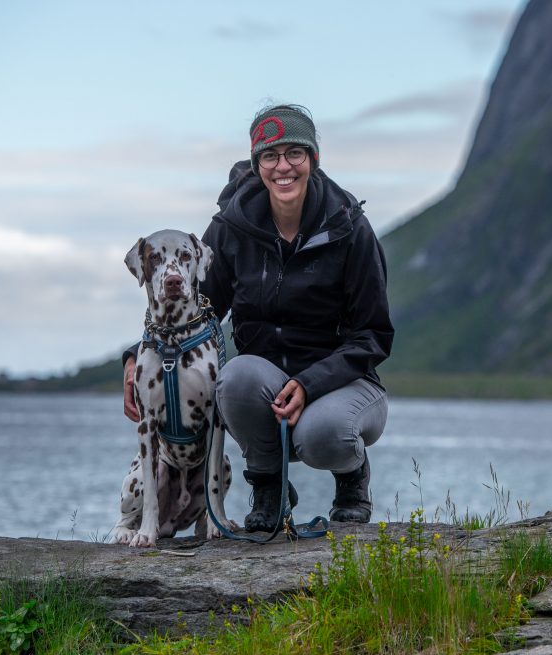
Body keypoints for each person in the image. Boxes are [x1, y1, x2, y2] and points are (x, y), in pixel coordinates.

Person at [122, 104, 393, 531]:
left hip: (345, 383)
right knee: (234, 379)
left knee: (322, 434)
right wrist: (136, 356)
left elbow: (373, 335)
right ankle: (268, 486)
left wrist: (309, 383)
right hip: (266, 383)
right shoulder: (232, 227)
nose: (283, 167)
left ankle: (352, 478)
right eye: (270, 156)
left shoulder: (350, 228)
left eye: (294, 153)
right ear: (257, 164)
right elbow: (196, 308)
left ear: (313, 159)